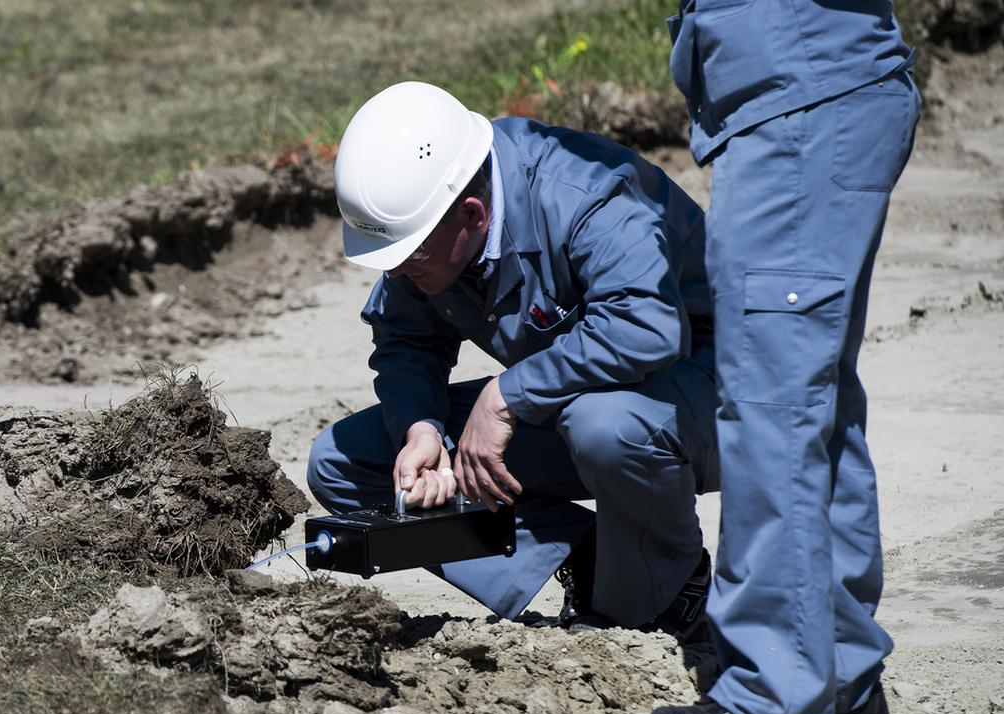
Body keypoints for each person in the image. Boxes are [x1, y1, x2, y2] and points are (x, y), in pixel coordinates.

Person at [306, 81, 716, 635]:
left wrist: (506, 397)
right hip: (579, 407)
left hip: (714, 401)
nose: (398, 273)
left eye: (410, 256)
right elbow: (406, 339)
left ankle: (671, 588)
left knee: (604, 425)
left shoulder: (586, 195)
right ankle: (596, 555)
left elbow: (646, 327)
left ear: (473, 216)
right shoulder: (437, 226)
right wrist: (422, 429)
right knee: (344, 462)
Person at [644, 0, 921, 714]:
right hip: (817, 93)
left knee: (771, 410)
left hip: (799, 107)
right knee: (813, 400)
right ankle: (839, 677)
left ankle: (774, 693)